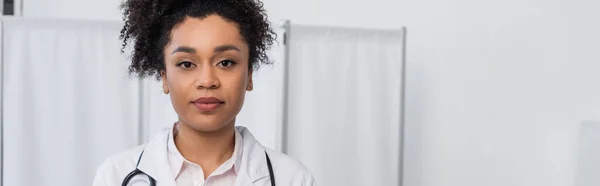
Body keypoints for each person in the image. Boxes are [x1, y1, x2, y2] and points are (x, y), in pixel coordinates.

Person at [92, 0, 314, 185]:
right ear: (164, 78)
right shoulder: (115, 175)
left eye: (226, 62)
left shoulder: (293, 179)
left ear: (249, 76)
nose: (207, 81)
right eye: (187, 64)